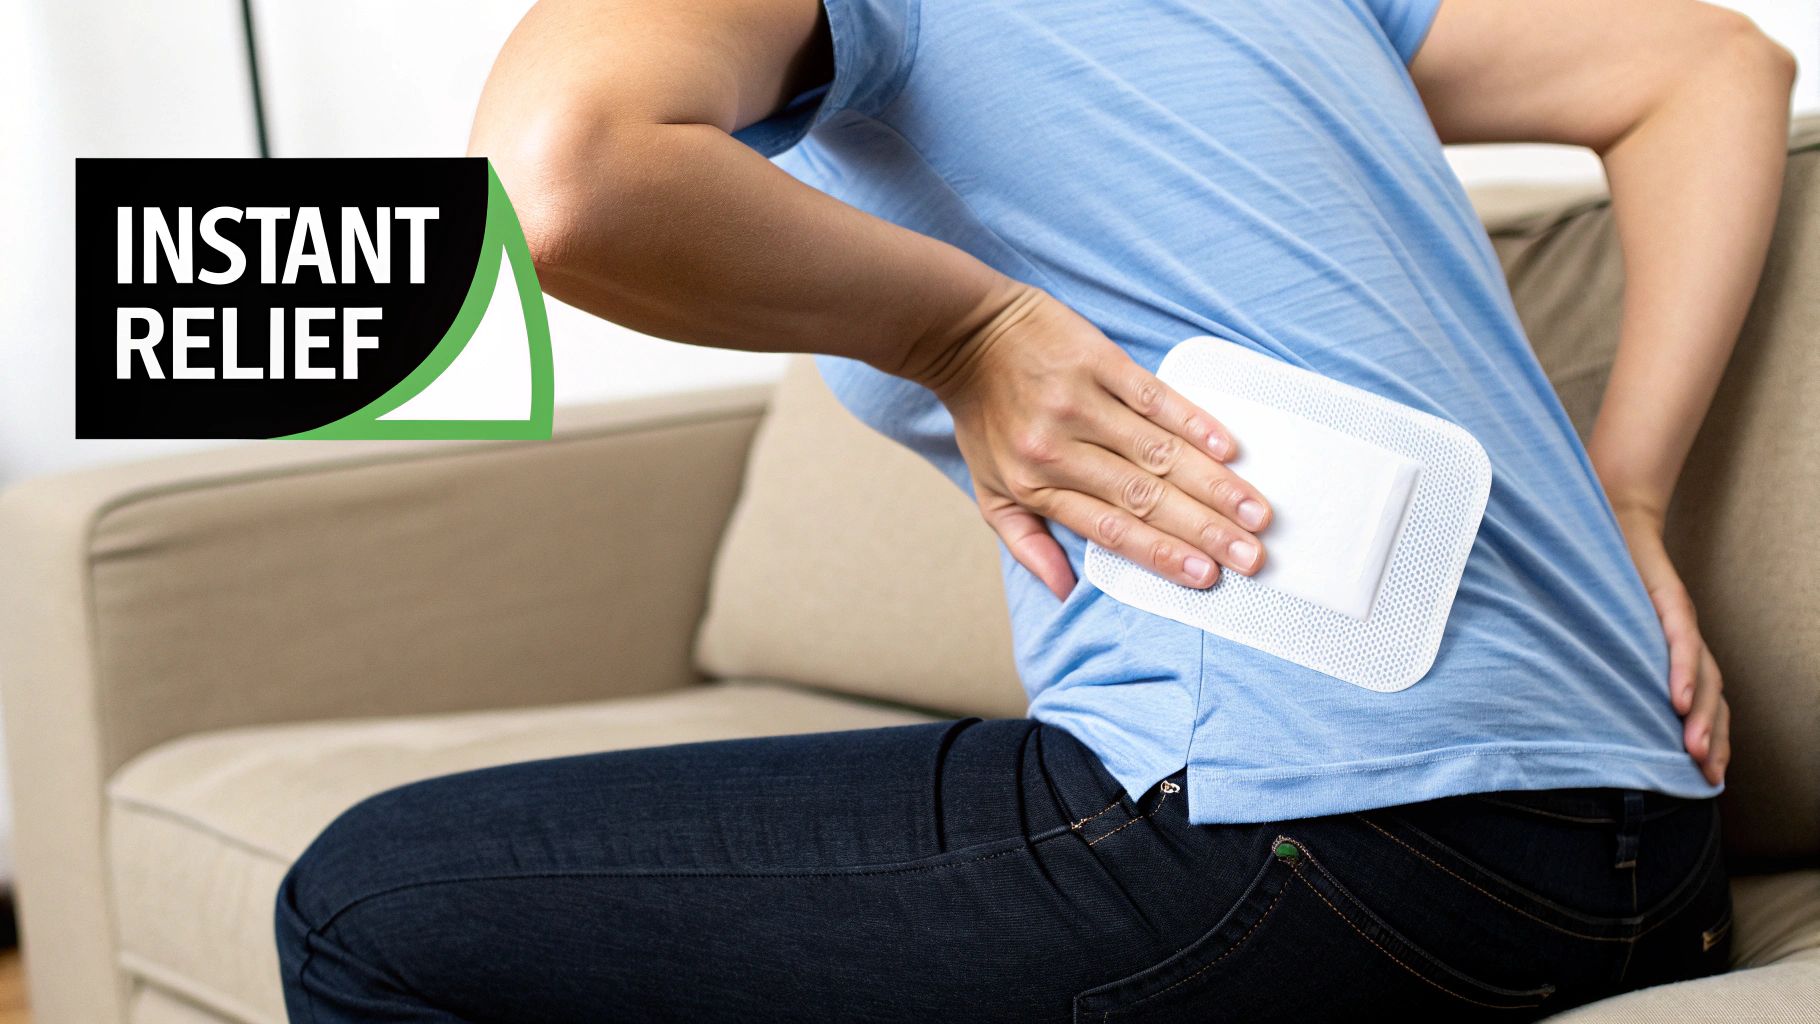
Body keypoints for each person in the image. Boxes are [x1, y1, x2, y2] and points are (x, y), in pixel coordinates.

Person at [274, 0, 1795, 1019]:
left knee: (364, 910)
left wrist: (966, 334)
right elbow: (1712, 65)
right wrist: (1626, 496)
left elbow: (557, 177)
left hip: (1314, 847)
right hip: (1652, 852)